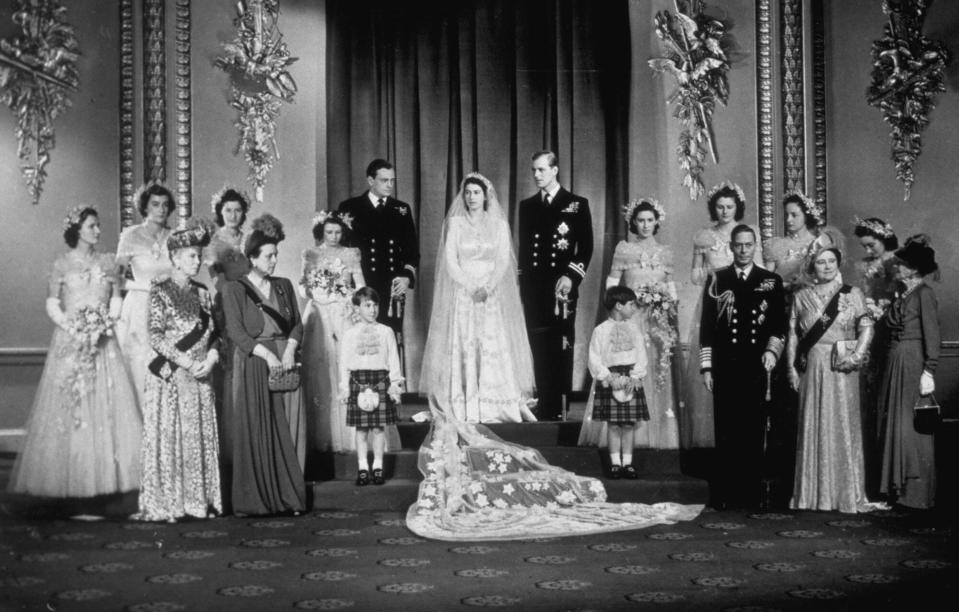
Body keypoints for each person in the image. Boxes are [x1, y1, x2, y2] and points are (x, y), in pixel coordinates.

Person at [8, 206, 141, 503]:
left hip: (103, 342)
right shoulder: (62, 264)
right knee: (75, 407)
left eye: (97, 225)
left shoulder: (107, 262)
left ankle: (107, 481)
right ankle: (74, 481)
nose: (97, 230)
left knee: (105, 406)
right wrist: (73, 327)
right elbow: (53, 303)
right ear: (77, 229)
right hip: (71, 341)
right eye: (92, 226)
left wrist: (106, 323)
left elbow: (117, 298)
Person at [420, 173, 537, 423]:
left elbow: (503, 260)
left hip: (490, 295)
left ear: (486, 196)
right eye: (468, 192)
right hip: (464, 294)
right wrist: (470, 286)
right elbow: (451, 261)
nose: (472, 197)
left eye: (476, 193)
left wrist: (488, 287)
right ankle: (464, 401)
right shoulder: (456, 223)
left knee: (490, 343)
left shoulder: (498, 225)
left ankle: (492, 404)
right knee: (465, 343)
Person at [135, 220, 221, 522]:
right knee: (173, 440)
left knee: (197, 440)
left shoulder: (202, 293)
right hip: (172, 376)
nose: (197, 261)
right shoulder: (160, 291)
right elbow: (155, 336)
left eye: (198, 256)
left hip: (200, 377)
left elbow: (214, 333)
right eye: (190, 256)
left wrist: (209, 359)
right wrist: (185, 363)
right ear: (174, 258)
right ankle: (172, 502)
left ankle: (200, 502)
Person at [221, 214, 307, 516]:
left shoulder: (283, 285)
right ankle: (258, 500)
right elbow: (237, 333)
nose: (274, 261)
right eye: (269, 256)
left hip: (287, 359)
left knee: (291, 430)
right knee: (258, 430)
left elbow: (297, 324)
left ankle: (290, 496)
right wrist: (269, 356)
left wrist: (289, 351)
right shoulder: (233, 289)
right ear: (252, 257)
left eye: (276, 256)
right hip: (256, 363)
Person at [579, 198, 678, 451]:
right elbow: (612, 283)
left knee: (654, 368)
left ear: (657, 222)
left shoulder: (665, 252)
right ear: (634, 222)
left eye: (650, 220)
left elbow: (670, 286)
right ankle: (619, 434)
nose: (645, 225)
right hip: (629, 320)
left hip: (656, 320)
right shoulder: (624, 249)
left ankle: (654, 433)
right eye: (641, 220)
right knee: (625, 366)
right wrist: (618, 310)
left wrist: (668, 304)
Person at [786, 246, 879, 513]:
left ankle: (844, 494)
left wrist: (857, 355)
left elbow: (866, 327)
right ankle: (812, 495)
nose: (826, 267)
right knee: (813, 423)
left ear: (838, 263)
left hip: (842, 366)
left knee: (841, 424)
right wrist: (791, 368)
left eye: (831, 262)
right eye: (820, 262)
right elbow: (792, 334)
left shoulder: (852, 294)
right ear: (811, 266)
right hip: (813, 365)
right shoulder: (801, 296)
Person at [699, 224, 786, 510]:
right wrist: (707, 367)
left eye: (749, 245)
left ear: (756, 246)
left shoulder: (770, 280)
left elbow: (778, 325)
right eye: (739, 245)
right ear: (731, 247)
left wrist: (772, 352)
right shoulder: (717, 278)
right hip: (726, 366)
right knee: (726, 428)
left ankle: (750, 494)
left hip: (756, 366)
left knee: (753, 428)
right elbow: (707, 327)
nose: (744, 250)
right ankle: (725, 494)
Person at [683, 182, 762, 449]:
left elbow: (759, 268)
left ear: (737, 207)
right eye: (720, 206)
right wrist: (706, 267)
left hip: (745, 302)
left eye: (729, 206)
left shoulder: (749, 234)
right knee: (714, 359)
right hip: (715, 303)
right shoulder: (704, 236)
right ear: (713, 208)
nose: (725, 211)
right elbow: (695, 276)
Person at [517, 151, 593, 420]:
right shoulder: (527, 206)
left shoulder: (575, 204)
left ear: (555, 170)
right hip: (535, 287)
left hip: (562, 286)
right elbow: (525, 251)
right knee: (538, 343)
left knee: (561, 342)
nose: (537, 175)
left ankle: (561, 402)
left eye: (541, 170)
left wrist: (571, 277)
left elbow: (585, 248)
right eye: (534, 170)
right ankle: (545, 401)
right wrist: (522, 284)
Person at [879, 235, 940, 510]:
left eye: (902, 264)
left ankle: (915, 495)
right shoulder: (903, 292)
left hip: (913, 363)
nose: (897, 267)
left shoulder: (924, 294)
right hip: (896, 361)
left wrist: (929, 371)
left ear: (913, 268)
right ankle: (897, 491)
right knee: (896, 424)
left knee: (910, 427)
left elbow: (933, 335)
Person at [337, 159, 419, 356]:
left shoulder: (401, 209)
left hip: (392, 285)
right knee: (362, 339)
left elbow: (412, 248)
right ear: (371, 180)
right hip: (362, 283)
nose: (390, 185)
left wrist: (407, 276)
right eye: (384, 180)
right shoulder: (351, 207)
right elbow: (342, 248)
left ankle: (390, 384)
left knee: (389, 337)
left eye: (392, 180)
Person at [300, 211, 364, 453]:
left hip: (343, 313)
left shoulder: (350, 254)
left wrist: (348, 298)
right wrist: (317, 292)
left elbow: (361, 285)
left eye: (338, 232)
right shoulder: (311, 254)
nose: (334, 236)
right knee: (320, 367)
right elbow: (301, 285)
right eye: (329, 232)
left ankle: (349, 436)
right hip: (319, 312)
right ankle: (322, 434)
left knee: (344, 367)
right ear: (321, 232)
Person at [203, 186, 251, 501]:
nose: (232, 215)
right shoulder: (213, 242)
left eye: (237, 210)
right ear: (219, 212)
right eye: (227, 210)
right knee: (225, 367)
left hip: (248, 303)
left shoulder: (250, 239)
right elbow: (215, 278)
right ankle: (224, 449)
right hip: (223, 303)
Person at [852, 216, 898, 498]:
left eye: (871, 245)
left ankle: (887, 476)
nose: (868, 251)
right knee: (867, 404)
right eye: (864, 246)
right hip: (868, 334)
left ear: (884, 239)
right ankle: (867, 475)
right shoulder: (861, 266)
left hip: (890, 334)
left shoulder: (898, 264)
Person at [339, 287, 404, 486]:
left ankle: (377, 466)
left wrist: (394, 385)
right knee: (361, 430)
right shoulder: (350, 334)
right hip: (358, 380)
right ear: (357, 308)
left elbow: (393, 359)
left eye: (375, 305)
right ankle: (362, 468)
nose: (373, 309)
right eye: (367, 305)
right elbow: (344, 363)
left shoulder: (386, 331)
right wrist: (344, 387)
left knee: (377, 428)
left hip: (380, 380)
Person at [116, 183, 175, 402]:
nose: (161, 209)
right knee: (141, 364)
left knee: (167, 362)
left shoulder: (175, 236)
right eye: (155, 204)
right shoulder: (131, 236)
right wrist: (143, 287)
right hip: (140, 306)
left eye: (165, 205)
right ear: (145, 207)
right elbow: (117, 278)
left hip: (170, 307)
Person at [586, 286, 649, 479]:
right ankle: (615, 464)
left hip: (630, 378)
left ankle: (627, 464)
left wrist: (635, 376)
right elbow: (594, 358)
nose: (634, 308)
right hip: (611, 378)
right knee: (613, 424)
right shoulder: (601, 330)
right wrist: (608, 377)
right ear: (618, 306)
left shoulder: (634, 329)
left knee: (628, 424)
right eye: (631, 304)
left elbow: (641, 355)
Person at [763, 192, 843, 297]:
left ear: (806, 215)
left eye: (794, 215)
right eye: (786, 215)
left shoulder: (820, 243)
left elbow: (833, 278)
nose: (788, 220)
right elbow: (765, 284)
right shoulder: (775, 245)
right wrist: (788, 286)